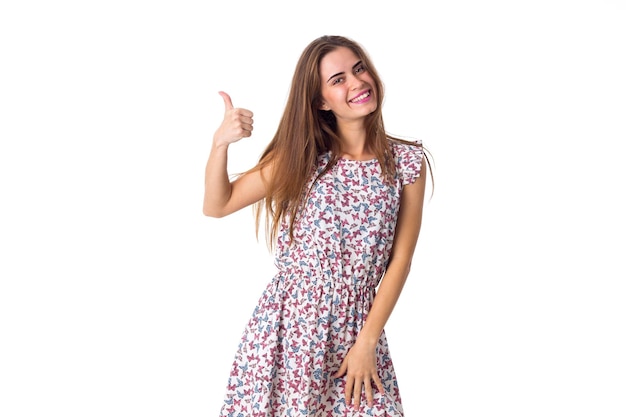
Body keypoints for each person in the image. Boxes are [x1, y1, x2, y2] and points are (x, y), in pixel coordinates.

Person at [203, 35, 432, 417]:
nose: (357, 83)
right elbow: (218, 204)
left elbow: (401, 261)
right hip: (290, 327)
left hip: (359, 328)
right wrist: (220, 144)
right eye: (338, 79)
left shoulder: (406, 161)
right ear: (321, 101)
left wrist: (367, 343)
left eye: (359, 69)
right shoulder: (302, 158)